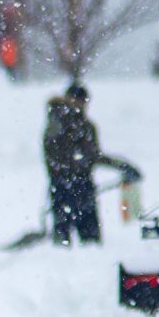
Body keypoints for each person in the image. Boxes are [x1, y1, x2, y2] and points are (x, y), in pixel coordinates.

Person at [43, 82, 105, 245]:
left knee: (90, 240)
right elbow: (55, 156)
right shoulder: (58, 124)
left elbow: (94, 155)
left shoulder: (86, 125)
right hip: (65, 185)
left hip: (81, 185)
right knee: (63, 240)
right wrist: (74, 170)